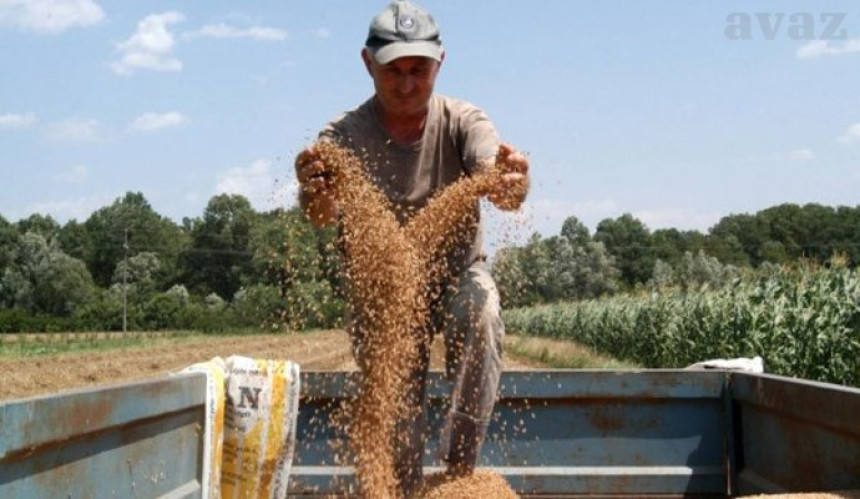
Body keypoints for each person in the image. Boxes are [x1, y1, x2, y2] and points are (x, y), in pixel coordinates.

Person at [294, 0, 530, 494]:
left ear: (440, 63)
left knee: (479, 312)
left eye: (418, 70)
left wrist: (511, 181)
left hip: (457, 273)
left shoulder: (464, 121)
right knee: (394, 400)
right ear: (367, 64)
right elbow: (321, 215)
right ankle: (396, 486)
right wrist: (313, 191)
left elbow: (501, 185)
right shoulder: (342, 136)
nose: (406, 85)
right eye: (392, 71)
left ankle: (459, 473)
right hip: (383, 287)